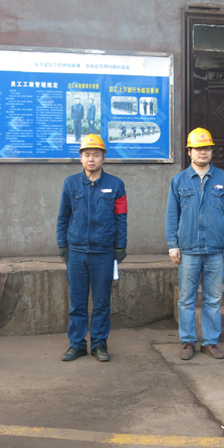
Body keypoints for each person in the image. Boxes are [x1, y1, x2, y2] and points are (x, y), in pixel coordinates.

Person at [166, 128, 224, 361]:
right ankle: (188, 342)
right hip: (188, 250)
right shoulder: (178, 180)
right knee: (186, 299)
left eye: (206, 148)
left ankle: (210, 342)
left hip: (216, 249)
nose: (202, 152)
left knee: (213, 299)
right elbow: (172, 215)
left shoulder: (223, 179)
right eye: (197, 149)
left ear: (211, 151)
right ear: (189, 152)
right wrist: (172, 244)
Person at [57, 134, 127, 362]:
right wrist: (62, 245)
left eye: (96, 155)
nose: (91, 159)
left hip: (103, 254)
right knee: (77, 303)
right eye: (87, 155)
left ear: (103, 158)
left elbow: (121, 218)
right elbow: (63, 217)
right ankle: (76, 344)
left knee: (101, 303)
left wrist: (120, 246)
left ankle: (99, 344)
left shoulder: (116, 185)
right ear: (81, 158)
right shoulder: (70, 183)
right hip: (76, 253)